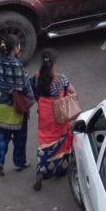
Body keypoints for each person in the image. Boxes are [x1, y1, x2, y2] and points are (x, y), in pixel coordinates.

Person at [30, 50, 76, 189]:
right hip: (59, 116)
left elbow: (33, 93)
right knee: (63, 139)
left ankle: (41, 171)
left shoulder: (37, 78)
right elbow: (73, 92)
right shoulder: (61, 79)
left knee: (45, 141)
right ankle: (61, 168)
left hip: (44, 115)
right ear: (54, 63)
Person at [0, 35, 32, 175]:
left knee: (1, 137)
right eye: (19, 46)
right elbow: (25, 88)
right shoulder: (17, 66)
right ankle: (20, 163)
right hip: (15, 108)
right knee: (19, 138)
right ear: (15, 48)